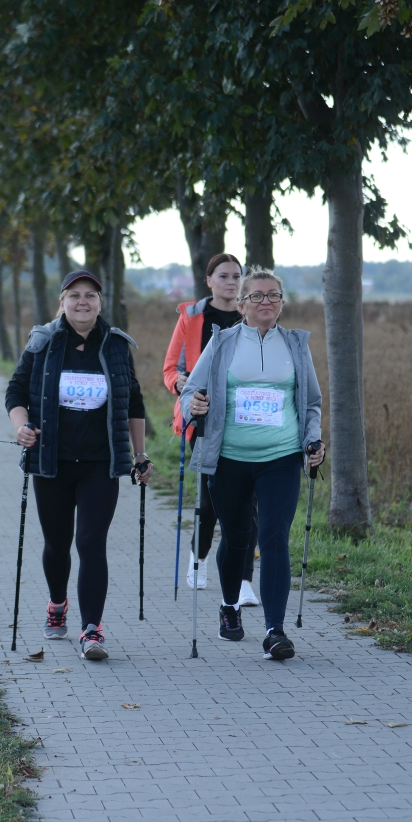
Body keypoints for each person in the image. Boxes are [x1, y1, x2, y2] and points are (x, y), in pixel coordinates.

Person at [5, 270, 153, 661]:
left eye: (90, 295)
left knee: (90, 541)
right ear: (62, 302)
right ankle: (57, 604)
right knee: (57, 544)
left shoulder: (116, 345)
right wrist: (22, 427)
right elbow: (16, 391)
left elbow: (133, 402)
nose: (82, 302)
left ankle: (92, 629)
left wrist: (139, 455)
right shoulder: (43, 341)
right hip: (51, 460)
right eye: (74, 295)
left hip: (100, 462)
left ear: (100, 303)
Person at [180, 266, 325, 660]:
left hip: (280, 457)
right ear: (242, 304)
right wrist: (194, 406)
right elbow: (191, 391)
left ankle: (275, 631)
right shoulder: (222, 342)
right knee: (237, 536)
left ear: (282, 303)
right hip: (229, 458)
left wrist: (312, 440)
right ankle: (229, 605)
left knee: (274, 539)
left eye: (273, 296)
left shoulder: (295, 345)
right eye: (257, 296)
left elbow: (311, 402)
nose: (266, 302)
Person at [163, 253, 259, 607]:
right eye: (223, 276)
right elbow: (170, 368)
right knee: (210, 501)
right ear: (209, 280)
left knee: (249, 503)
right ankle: (199, 555)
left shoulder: (253, 315)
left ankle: (244, 581)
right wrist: (181, 385)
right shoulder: (192, 318)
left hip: (246, 418)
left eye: (236, 276)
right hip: (203, 419)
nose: (231, 282)